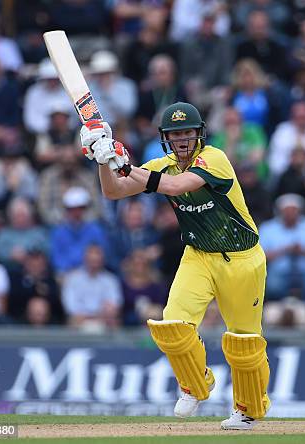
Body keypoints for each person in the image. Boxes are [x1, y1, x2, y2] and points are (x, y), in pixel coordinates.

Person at [79, 102, 270, 430]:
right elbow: (114, 191)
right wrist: (102, 158)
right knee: (172, 326)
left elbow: (176, 187)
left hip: (242, 259)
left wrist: (125, 165)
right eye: (175, 134)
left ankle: (248, 409)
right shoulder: (161, 165)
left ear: (199, 134)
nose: (182, 140)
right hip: (198, 255)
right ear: (165, 138)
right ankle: (196, 385)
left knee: (244, 341)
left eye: (187, 133)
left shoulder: (215, 159)